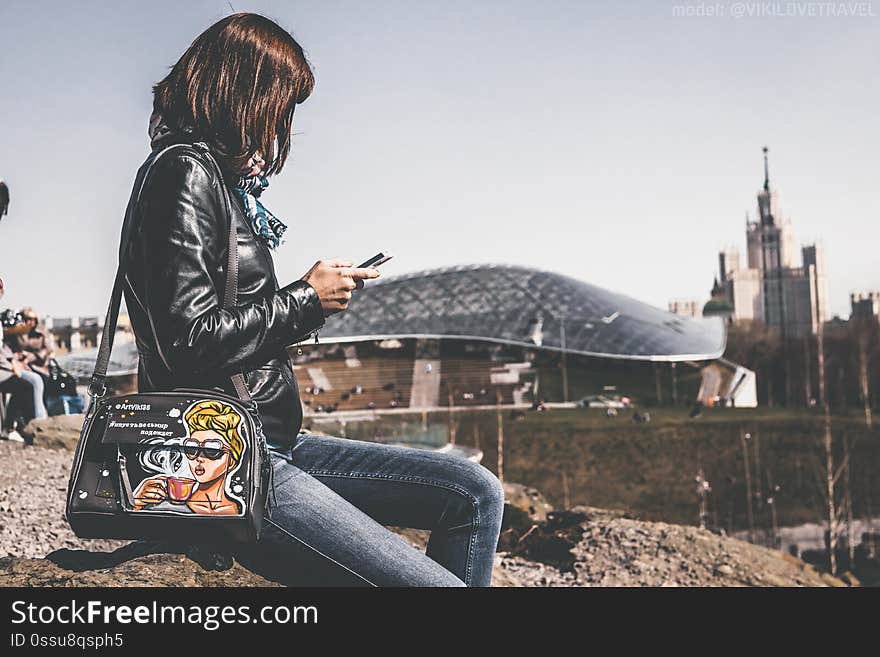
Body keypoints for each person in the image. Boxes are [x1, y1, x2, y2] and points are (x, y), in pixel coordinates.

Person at [121, 13, 504, 587]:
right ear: (242, 92)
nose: (281, 124)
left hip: (272, 440)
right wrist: (304, 299)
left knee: (474, 491)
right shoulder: (183, 174)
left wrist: (305, 305)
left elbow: (219, 320)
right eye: (280, 103)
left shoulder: (209, 176)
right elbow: (188, 341)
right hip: (229, 457)